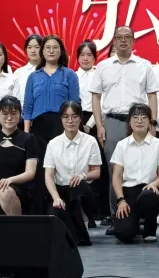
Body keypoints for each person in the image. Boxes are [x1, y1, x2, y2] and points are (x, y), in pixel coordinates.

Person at [90, 25, 159, 222]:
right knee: (115, 170)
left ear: (133, 41)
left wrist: (152, 124)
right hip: (112, 122)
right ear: (113, 41)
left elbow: (152, 96)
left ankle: (142, 214)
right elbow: (96, 97)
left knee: (141, 167)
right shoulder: (103, 66)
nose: (123, 40)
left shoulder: (144, 65)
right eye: (119, 37)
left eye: (127, 37)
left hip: (139, 122)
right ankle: (117, 215)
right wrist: (99, 125)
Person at [110, 103, 159, 244]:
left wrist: (154, 184)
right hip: (128, 194)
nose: (139, 121)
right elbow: (117, 177)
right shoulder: (121, 145)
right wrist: (121, 200)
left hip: (149, 190)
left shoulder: (158, 144)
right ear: (129, 121)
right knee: (124, 234)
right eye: (135, 117)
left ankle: (150, 229)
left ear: (150, 121)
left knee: (149, 196)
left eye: (144, 117)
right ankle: (135, 225)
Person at [44, 101, 101, 246]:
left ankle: (83, 226)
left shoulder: (90, 141)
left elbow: (96, 171)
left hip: (84, 192)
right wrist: (56, 198)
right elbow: (49, 176)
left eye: (74, 116)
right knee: (55, 213)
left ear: (80, 118)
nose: (70, 121)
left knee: (77, 186)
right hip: (62, 191)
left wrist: (83, 175)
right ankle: (76, 232)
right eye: (66, 117)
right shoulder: (53, 144)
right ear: (61, 119)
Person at [0, 96, 40, 216]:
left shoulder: (28, 139)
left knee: (5, 192)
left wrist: (10, 180)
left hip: (20, 192)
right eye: (5, 114)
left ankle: (19, 225)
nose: (9, 118)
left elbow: (30, 172)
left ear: (20, 115)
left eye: (14, 113)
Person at [76, 39, 108, 225]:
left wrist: (90, 124)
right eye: (82, 55)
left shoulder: (100, 75)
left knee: (98, 165)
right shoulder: (72, 76)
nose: (85, 58)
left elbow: (102, 102)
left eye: (89, 55)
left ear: (95, 57)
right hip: (75, 121)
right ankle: (82, 211)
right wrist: (79, 123)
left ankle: (101, 211)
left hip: (97, 122)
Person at [24, 35, 80, 142]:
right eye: (48, 47)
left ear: (61, 51)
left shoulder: (70, 74)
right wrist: (26, 134)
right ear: (42, 51)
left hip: (62, 127)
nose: (51, 51)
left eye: (55, 47)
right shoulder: (33, 76)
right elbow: (28, 107)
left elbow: (75, 104)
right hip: (38, 127)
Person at [12, 34, 43, 103]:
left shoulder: (48, 71)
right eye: (29, 47)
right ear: (25, 50)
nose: (33, 51)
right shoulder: (18, 72)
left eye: (37, 47)